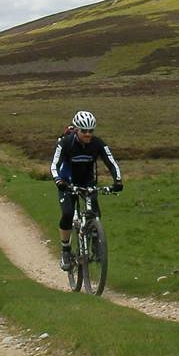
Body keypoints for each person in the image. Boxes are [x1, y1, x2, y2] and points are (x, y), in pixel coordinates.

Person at [50, 110, 123, 271]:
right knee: (68, 214)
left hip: (88, 182)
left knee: (95, 212)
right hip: (66, 183)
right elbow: (54, 165)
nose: (88, 134)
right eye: (84, 131)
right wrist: (58, 180)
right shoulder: (66, 143)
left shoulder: (97, 144)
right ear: (76, 130)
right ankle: (66, 250)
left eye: (91, 131)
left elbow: (111, 163)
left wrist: (117, 180)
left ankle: (96, 244)